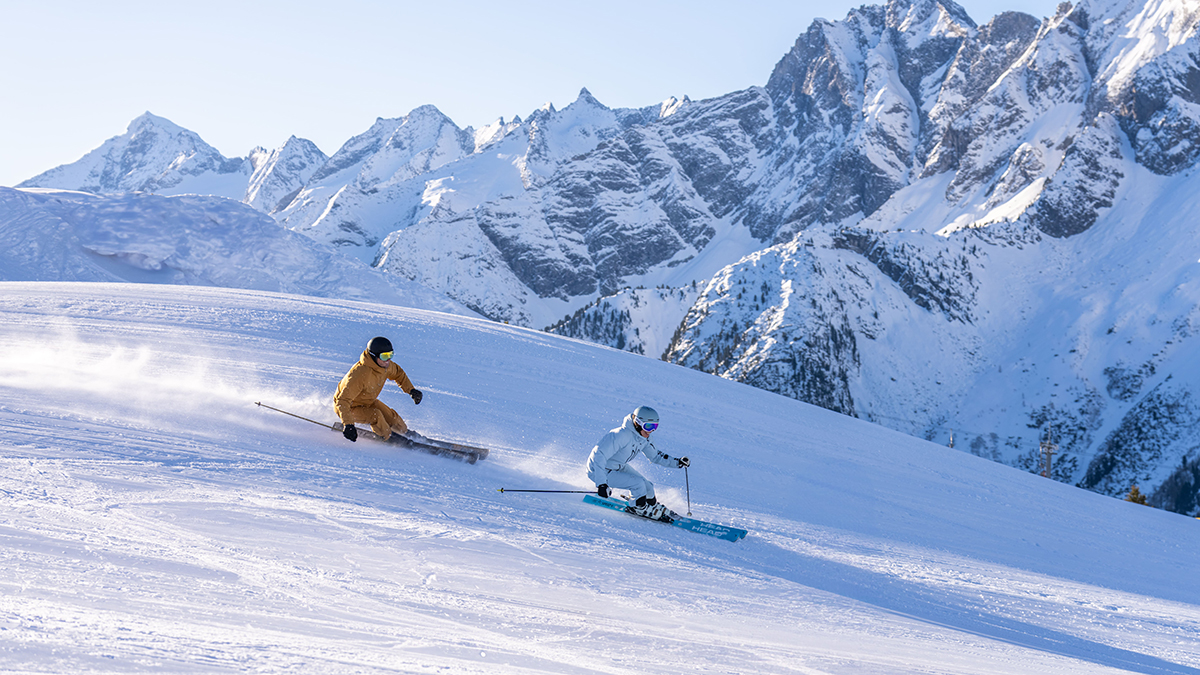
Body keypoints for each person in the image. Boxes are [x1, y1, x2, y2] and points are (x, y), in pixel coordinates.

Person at [586, 405, 689, 519]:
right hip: (599, 470)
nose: (651, 431)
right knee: (638, 484)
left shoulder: (643, 437)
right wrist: (601, 483)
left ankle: (652, 506)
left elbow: (655, 456)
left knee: (648, 487)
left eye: (655, 427)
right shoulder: (620, 435)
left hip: (618, 466)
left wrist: (677, 462)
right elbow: (598, 455)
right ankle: (638, 508)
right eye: (648, 426)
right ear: (637, 423)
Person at [334, 336, 423, 443]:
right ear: (373, 356)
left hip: (367, 402)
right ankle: (390, 438)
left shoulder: (385, 366)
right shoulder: (360, 374)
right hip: (349, 408)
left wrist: (411, 390)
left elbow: (399, 374)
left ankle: (405, 433)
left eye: (391, 355)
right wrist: (348, 424)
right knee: (376, 416)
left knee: (394, 420)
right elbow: (342, 400)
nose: (388, 360)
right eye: (385, 356)